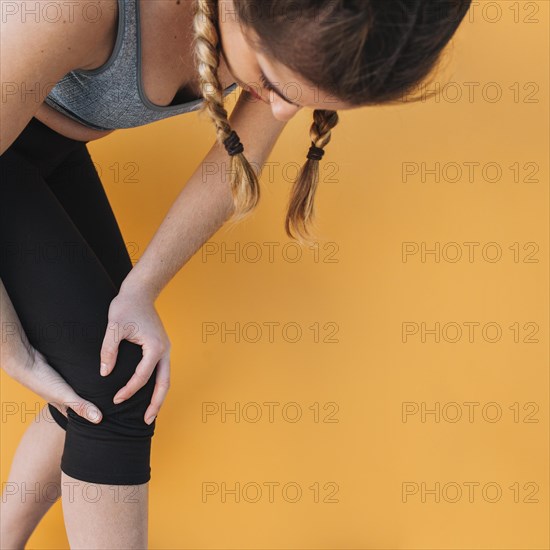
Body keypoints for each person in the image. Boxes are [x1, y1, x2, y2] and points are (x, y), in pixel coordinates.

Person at [0, 0, 472, 547]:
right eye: (272, 84)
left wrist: (141, 290)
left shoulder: (288, 35)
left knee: (115, 378)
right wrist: (12, 348)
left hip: (38, 147)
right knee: (113, 392)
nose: (276, 109)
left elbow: (235, 162)